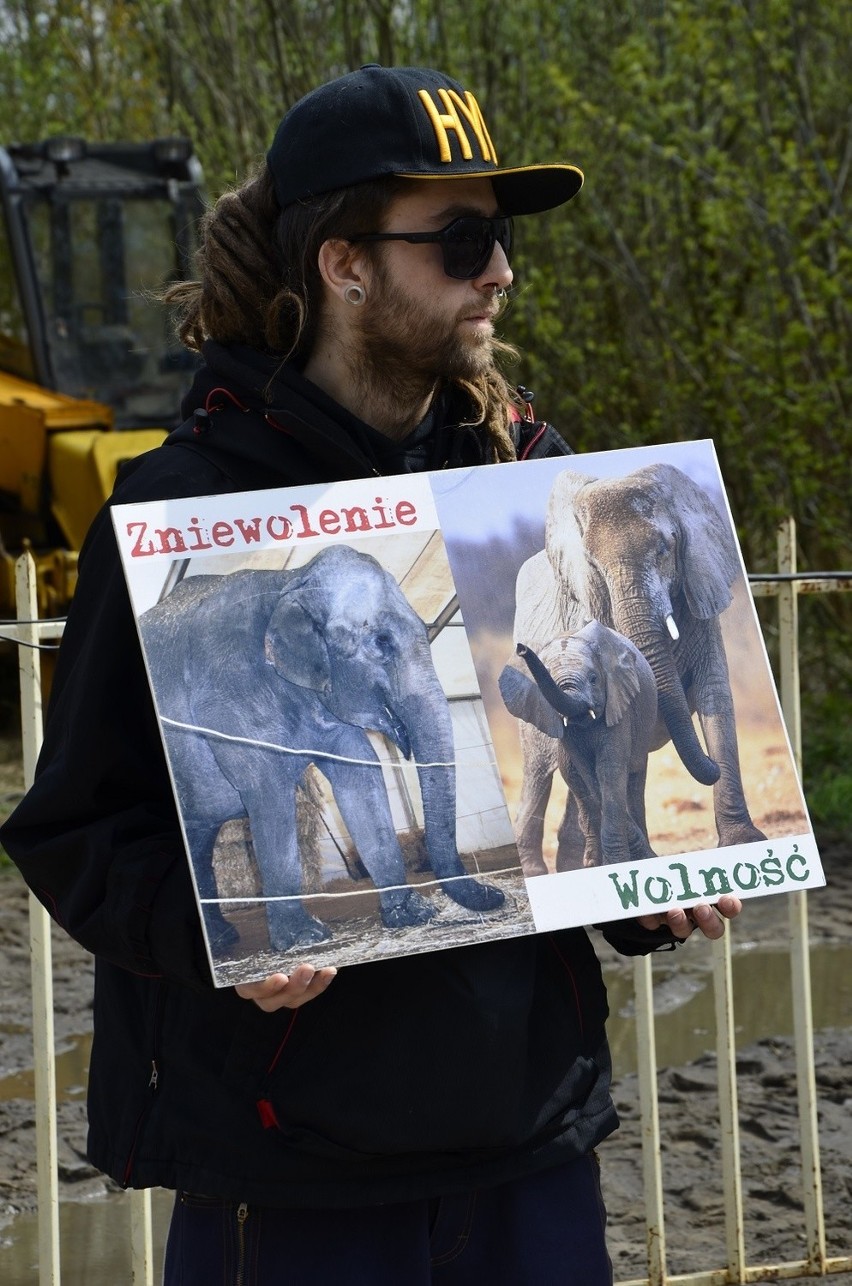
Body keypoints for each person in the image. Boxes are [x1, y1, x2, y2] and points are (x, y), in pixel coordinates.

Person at [0, 65, 741, 1285]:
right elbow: (76, 829)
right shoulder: (183, 509)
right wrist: (220, 935)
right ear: (344, 265)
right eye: (462, 240)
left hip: (528, 1144)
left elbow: (558, 776)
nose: (499, 270)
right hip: (298, 1167)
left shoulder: (523, 464)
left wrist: (644, 891)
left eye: (498, 237)